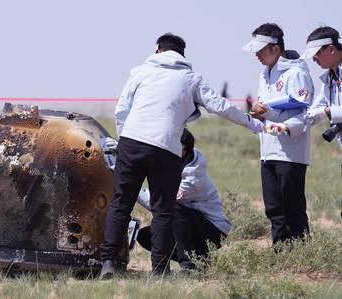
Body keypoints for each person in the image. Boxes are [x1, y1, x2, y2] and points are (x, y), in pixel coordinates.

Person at [99, 33, 264, 279]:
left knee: (121, 203)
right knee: (164, 210)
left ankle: (108, 263)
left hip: (132, 143)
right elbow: (220, 106)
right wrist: (254, 125)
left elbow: (122, 109)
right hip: (165, 148)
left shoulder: (140, 71)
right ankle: (159, 270)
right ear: (182, 55)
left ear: (158, 50)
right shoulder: (189, 78)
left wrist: (124, 141)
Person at [242, 23, 314, 246]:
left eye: (260, 50)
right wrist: (259, 115)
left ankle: (302, 254)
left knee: (292, 207)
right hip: (268, 150)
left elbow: (305, 113)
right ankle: (280, 253)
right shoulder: (264, 75)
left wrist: (270, 113)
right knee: (273, 208)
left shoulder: (297, 73)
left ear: (275, 48)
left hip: (290, 153)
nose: (257, 55)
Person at [135, 129, 231, 272]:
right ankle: (201, 259)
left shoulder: (193, 178)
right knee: (145, 236)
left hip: (214, 231)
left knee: (172, 208)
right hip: (190, 225)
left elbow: (161, 204)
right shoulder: (177, 161)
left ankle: (189, 266)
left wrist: (130, 187)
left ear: (185, 150)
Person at [269, 26, 342, 176]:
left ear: (331, 49)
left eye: (316, 54)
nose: (314, 60)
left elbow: (322, 110)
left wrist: (328, 111)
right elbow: (313, 112)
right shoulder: (329, 78)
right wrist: (285, 126)